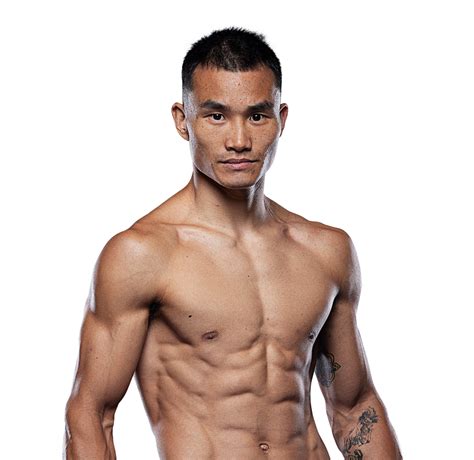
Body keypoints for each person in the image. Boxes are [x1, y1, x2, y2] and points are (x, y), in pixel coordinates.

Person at [64, 27, 402, 459]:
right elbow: (91, 416)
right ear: (182, 120)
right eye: (216, 116)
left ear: (281, 119)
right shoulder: (142, 255)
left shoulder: (326, 251)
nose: (239, 141)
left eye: (257, 116)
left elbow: (355, 409)